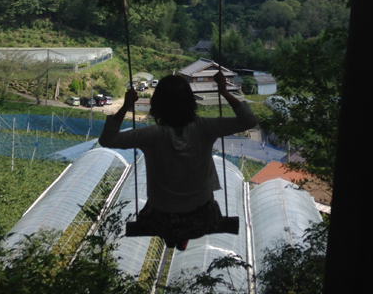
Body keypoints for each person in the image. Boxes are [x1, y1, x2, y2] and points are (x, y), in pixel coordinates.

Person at [98, 71, 258, 250]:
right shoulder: (206, 127)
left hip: (161, 220)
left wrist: (125, 106)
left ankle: (174, 237)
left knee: (164, 214)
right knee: (197, 206)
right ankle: (181, 237)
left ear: (157, 105)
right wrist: (225, 92)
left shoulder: (151, 135)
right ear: (190, 102)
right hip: (202, 220)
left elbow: (107, 140)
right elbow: (249, 120)